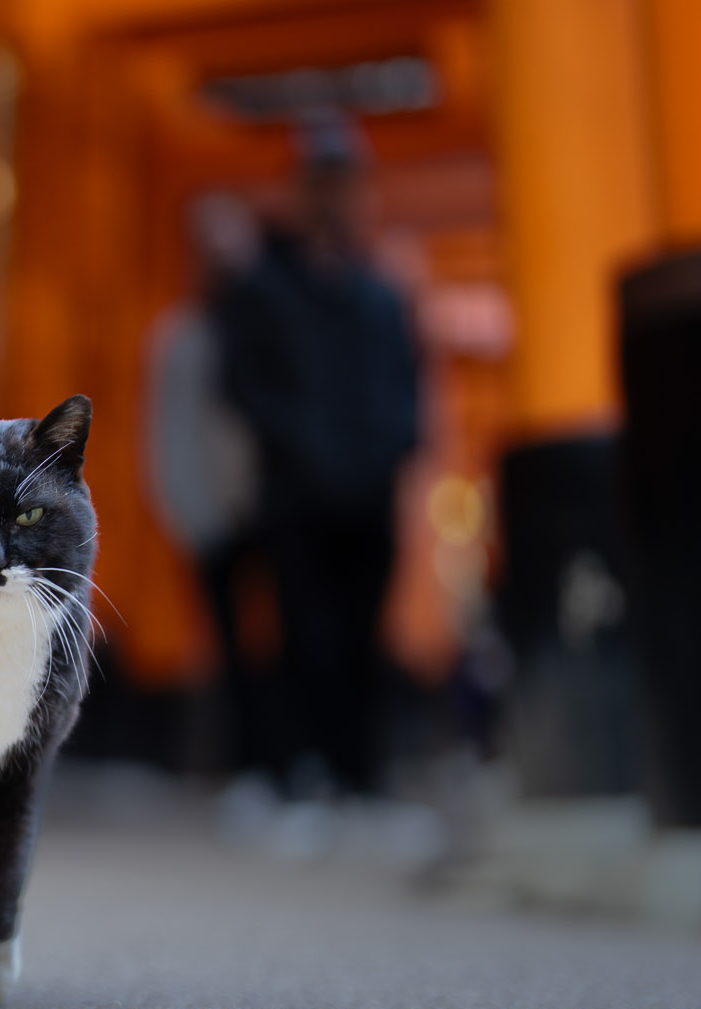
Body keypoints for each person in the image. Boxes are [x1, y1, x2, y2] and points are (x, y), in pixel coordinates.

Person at [221, 110, 421, 797]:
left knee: (365, 633)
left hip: (370, 495)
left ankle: (359, 769)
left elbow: (405, 383)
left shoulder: (381, 294)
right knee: (306, 634)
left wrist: (389, 449)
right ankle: (304, 767)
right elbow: (245, 385)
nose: (332, 197)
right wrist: (307, 447)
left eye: (344, 181)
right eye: (319, 181)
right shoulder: (264, 290)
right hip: (298, 495)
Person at [144, 191, 282, 785]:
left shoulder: (275, 327)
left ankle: (287, 759)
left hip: (273, 507)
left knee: (288, 638)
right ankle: (242, 761)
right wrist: (183, 505)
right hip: (209, 512)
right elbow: (167, 429)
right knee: (225, 646)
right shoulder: (179, 336)